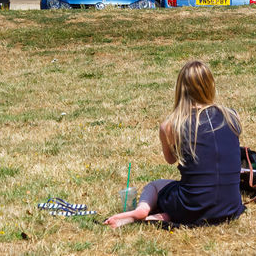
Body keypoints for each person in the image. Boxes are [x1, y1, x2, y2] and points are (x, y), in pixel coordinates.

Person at [105, 60, 244, 229]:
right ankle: (167, 215)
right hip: (230, 207)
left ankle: (142, 210)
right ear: (210, 85)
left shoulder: (171, 125)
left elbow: (171, 159)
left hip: (192, 205)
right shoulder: (231, 116)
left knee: (155, 186)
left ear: (180, 89)